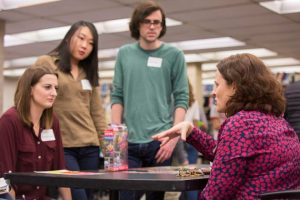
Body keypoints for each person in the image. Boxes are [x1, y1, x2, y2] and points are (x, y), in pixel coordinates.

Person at [153, 53, 300, 199]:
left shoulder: (240, 125)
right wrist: (191, 131)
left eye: (217, 85)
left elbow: (215, 195)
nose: (213, 92)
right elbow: (229, 157)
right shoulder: (277, 122)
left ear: (235, 87)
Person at [111, 1, 189, 199]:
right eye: (147, 21)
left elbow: (182, 98)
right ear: (137, 24)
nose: (152, 26)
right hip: (128, 143)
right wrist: (116, 138)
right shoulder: (124, 54)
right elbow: (117, 95)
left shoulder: (174, 55)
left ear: (162, 26)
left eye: (157, 22)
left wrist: (173, 138)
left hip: (161, 143)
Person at [35, 21, 106, 200]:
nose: (85, 46)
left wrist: (109, 148)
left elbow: (97, 113)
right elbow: (29, 93)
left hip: (89, 145)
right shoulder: (48, 62)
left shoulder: (88, 71)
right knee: (76, 196)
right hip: (62, 144)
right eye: (81, 38)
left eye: (91, 43)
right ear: (68, 38)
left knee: (88, 196)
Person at [0, 65, 71, 200]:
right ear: (30, 89)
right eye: (47, 87)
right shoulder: (9, 121)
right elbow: (5, 177)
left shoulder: (52, 122)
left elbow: (61, 170)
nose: (54, 93)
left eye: (56, 88)